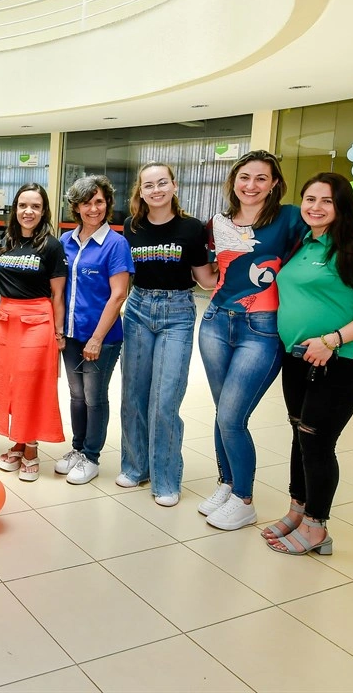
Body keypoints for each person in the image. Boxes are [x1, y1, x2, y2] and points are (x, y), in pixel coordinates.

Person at [198, 151, 353, 530]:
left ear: (275, 184)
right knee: (223, 413)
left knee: (233, 416)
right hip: (217, 321)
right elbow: (211, 272)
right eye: (244, 177)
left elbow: (340, 232)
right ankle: (228, 483)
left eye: (261, 178)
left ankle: (243, 499)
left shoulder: (290, 217)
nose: (251, 185)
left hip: (262, 328)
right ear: (233, 181)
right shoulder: (217, 222)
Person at [264, 173, 353, 555]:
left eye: (327, 201)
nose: (316, 207)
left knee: (317, 442)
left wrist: (331, 340)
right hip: (298, 357)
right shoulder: (302, 242)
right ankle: (298, 510)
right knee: (299, 435)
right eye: (310, 199)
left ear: (342, 207)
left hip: (343, 362)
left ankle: (316, 527)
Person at [118, 164, 215, 506]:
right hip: (138, 309)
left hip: (177, 312)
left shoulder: (192, 228)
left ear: (174, 186)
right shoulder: (131, 226)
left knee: (165, 399)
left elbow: (206, 280)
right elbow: (123, 275)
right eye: (149, 185)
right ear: (140, 191)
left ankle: (166, 479)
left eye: (162, 183)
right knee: (133, 395)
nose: (156, 190)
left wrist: (237, 264)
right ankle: (135, 467)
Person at [0, 184, 67, 482]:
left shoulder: (51, 246)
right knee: (9, 384)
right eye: (22, 205)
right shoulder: (7, 241)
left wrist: (59, 333)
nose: (28, 211)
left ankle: (31, 447)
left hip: (37, 321)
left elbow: (58, 295)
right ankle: (18, 441)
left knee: (29, 384)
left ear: (44, 211)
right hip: (6, 319)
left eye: (35, 206)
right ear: (15, 209)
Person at [56, 175, 133, 485]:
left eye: (99, 201)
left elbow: (118, 295)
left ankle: (91, 456)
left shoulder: (115, 244)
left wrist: (97, 339)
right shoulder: (65, 241)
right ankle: (77, 448)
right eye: (86, 203)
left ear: (108, 204)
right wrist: (59, 331)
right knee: (76, 395)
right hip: (71, 334)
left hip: (102, 338)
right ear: (76, 207)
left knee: (93, 397)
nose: (93, 208)